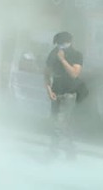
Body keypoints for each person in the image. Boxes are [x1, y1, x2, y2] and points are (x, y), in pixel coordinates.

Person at [45, 31, 83, 160]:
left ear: (69, 42)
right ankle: (71, 153)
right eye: (58, 44)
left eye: (62, 44)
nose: (60, 46)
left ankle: (52, 154)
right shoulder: (53, 53)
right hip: (56, 92)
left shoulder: (76, 55)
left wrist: (62, 60)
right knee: (61, 124)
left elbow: (74, 73)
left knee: (58, 123)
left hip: (69, 94)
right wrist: (49, 89)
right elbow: (46, 73)